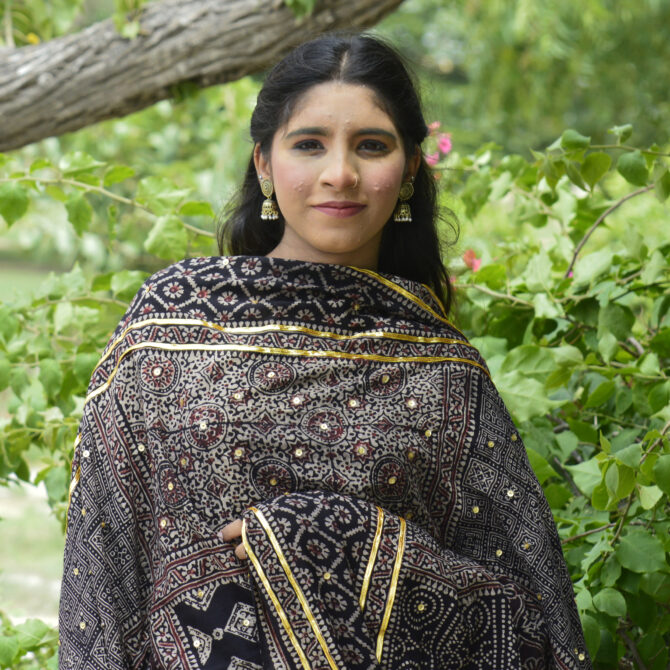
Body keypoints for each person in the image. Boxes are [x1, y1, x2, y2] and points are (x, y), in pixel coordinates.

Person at [58, 33, 590, 670]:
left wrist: (351, 540)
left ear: (411, 169)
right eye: (309, 144)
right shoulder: (164, 326)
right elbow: (102, 573)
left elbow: (535, 627)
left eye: (372, 145)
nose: (341, 173)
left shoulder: (447, 373)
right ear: (264, 165)